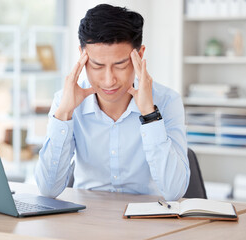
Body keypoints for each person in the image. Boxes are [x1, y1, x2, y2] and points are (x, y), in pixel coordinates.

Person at [35, 4, 190, 201]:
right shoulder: (65, 101)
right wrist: (64, 113)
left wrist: (149, 114)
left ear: (139, 56)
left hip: (150, 222)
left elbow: (174, 192)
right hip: (87, 221)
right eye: (97, 66)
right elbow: (48, 190)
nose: (109, 80)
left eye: (120, 65)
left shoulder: (167, 101)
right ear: (82, 56)